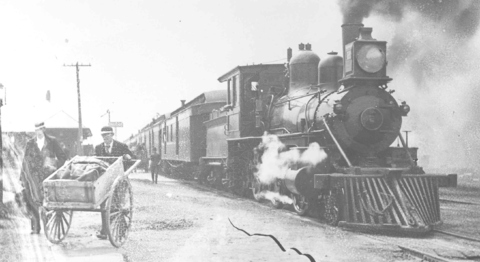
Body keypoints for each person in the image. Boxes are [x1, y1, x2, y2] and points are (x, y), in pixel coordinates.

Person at [19, 122, 67, 234]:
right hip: (33, 176)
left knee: (47, 201)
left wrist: (55, 166)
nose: (38, 132)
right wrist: (22, 177)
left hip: (48, 175)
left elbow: (62, 156)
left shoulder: (52, 141)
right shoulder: (30, 143)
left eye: (40, 130)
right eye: (36, 130)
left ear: (44, 129)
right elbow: (25, 160)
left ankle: (48, 226)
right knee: (32, 201)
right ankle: (36, 228)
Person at [94, 126, 135, 240]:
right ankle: (104, 231)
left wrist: (127, 158)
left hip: (118, 181)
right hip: (104, 180)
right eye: (103, 135)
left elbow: (131, 159)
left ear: (112, 135)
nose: (105, 138)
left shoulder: (121, 146)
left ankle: (121, 230)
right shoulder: (98, 148)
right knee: (103, 205)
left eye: (107, 135)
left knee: (117, 206)